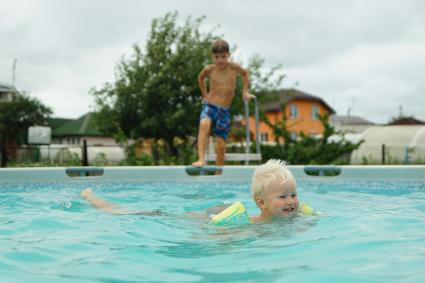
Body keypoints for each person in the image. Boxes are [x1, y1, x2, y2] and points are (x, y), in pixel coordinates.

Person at [192, 39, 250, 167]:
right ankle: (201, 159)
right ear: (212, 57)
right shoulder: (210, 69)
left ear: (228, 55)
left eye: (223, 56)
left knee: (221, 145)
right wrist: (205, 94)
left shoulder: (233, 67)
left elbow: (245, 74)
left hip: (224, 110)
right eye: (217, 57)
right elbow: (200, 78)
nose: (220, 60)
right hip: (210, 105)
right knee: (203, 124)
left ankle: (218, 173)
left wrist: (245, 92)